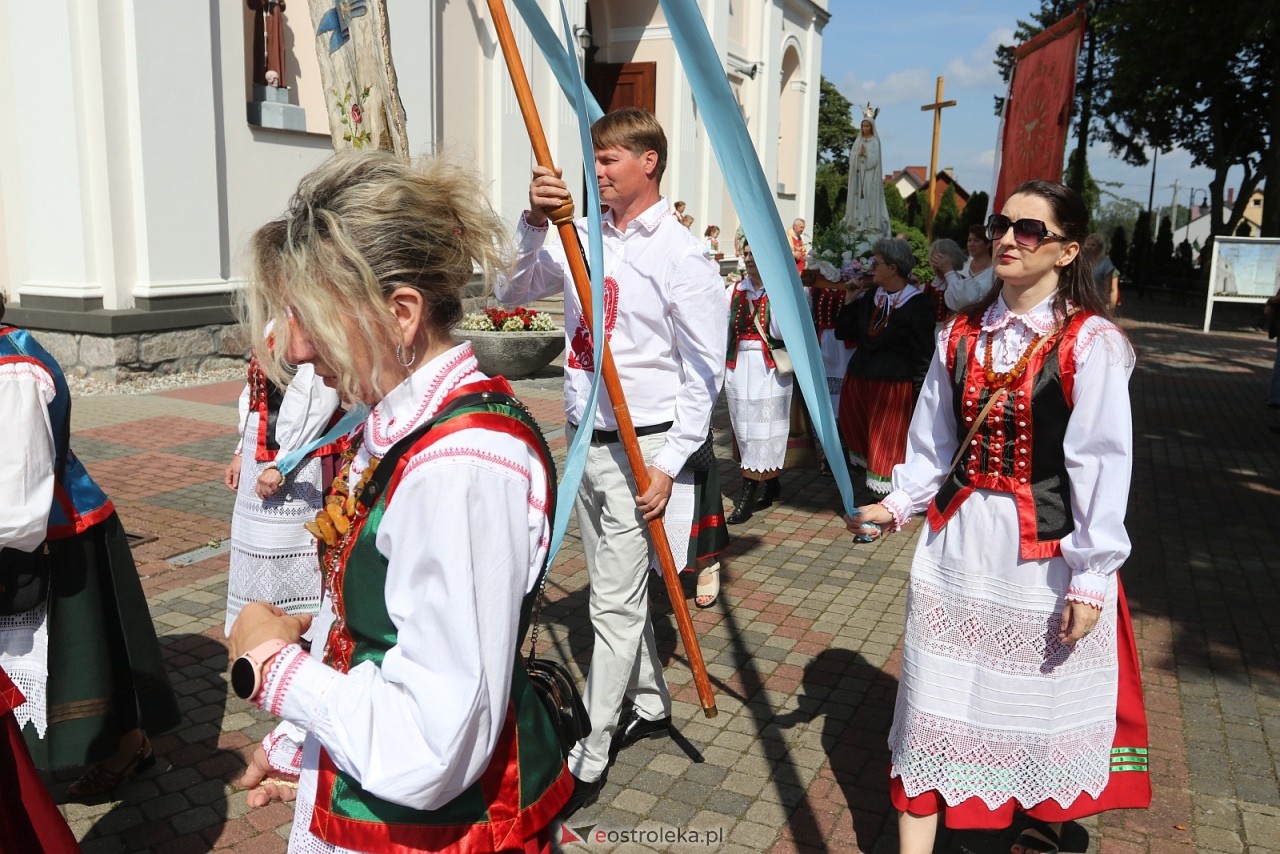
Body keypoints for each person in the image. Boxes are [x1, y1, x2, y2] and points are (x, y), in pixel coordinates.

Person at [228, 151, 571, 850]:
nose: (294, 349)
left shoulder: (459, 468)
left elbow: (431, 741)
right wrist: (305, 745)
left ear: (401, 314)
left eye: (310, 315)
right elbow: (398, 636)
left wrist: (270, 670)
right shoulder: (405, 423)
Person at [852, 180, 1150, 854]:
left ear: (1067, 251)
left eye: (1031, 230)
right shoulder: (958, 332)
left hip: (1039, 558)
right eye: (1002, 224)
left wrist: (1091, 580)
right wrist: (896, 504)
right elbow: (930, 446)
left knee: (1023, 713)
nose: (1009, 238)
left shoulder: (1090, 343)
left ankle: (1021, 830)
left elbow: (1103, 464)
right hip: (955, 549)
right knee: (934, 703)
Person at [496, 107, 727, 816]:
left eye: (609, 160)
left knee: (615, 603)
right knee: (611, 585)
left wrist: (670, 462)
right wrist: (534, 224)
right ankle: (650, 701)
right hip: (584, 439)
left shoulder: (682, 254)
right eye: (592, 160)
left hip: (643, 444)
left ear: (648, 163)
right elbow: (509, 294)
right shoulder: (578, 235)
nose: (594, 172)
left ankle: (590, 748)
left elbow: (703, 370)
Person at [0, 295, 180, 799]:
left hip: (48, 537)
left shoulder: (11, 367)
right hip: (41, 533)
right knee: (96, 658)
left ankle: (124, 750)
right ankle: (127, 746)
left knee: (85, 660)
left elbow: (15, 496)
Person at [222, 353, 340, 636]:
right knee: (254, 541)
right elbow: (255, 392)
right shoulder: (272, 326)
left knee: (282, 542)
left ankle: (294, 627)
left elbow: (317, 403)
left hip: (294, 452)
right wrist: (241, 450)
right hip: (259, 451)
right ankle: (259, 622)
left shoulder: (303, 326)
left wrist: (283, 463)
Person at [834, 238, 934, 497]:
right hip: (860, 380)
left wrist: (920, 395)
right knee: (862, 440)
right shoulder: (870, 298)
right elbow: (843, 332)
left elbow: (923, 354)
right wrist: (849, 299)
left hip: (892, 388)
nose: (870, 267)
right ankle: (871, 493)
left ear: (892, 267)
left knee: (886, 446)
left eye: (875, 262)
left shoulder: (918, 304)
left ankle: (879, 505)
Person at [724, 241, 793, 524]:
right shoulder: (733, 291)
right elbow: (723, 329)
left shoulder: (777, 290)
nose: (750, 259)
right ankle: (772, 484)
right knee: (744, 427)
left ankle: (748, 496)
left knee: (764, 430)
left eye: (755, 254)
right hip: (739, 365)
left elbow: (779, 331)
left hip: (769, 369)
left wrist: (778, 295)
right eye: (747, 254)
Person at [844, 115, 891, 239]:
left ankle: (869, 225)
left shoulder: (875, 141)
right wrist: (858, 155)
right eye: (863, 126)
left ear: (871, 127)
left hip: (870, 176)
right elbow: (852, 157)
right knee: (858, 199)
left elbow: (875, 160)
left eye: (867, 126)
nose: (865, 128)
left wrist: (866, 155)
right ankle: (857, 225)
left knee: (868, 199)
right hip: (859, 175)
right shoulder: (858, 140)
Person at [923, 238, 968, 325]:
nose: (937, 264)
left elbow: (961, 302)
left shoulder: (963, 282)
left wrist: (948, 271)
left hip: (955, 332)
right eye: (934, 259)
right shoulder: (927, 287)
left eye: (940, 258)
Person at [1083, 232, 1121, 310]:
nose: (1089, 247)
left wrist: (1110, 308)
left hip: (1098, 304)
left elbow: (1110, 289)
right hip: (1081, 303)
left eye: (1093, 245)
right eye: (1088, 244)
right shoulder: (1082, 262)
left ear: (1100, 247)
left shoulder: (1106, 264)